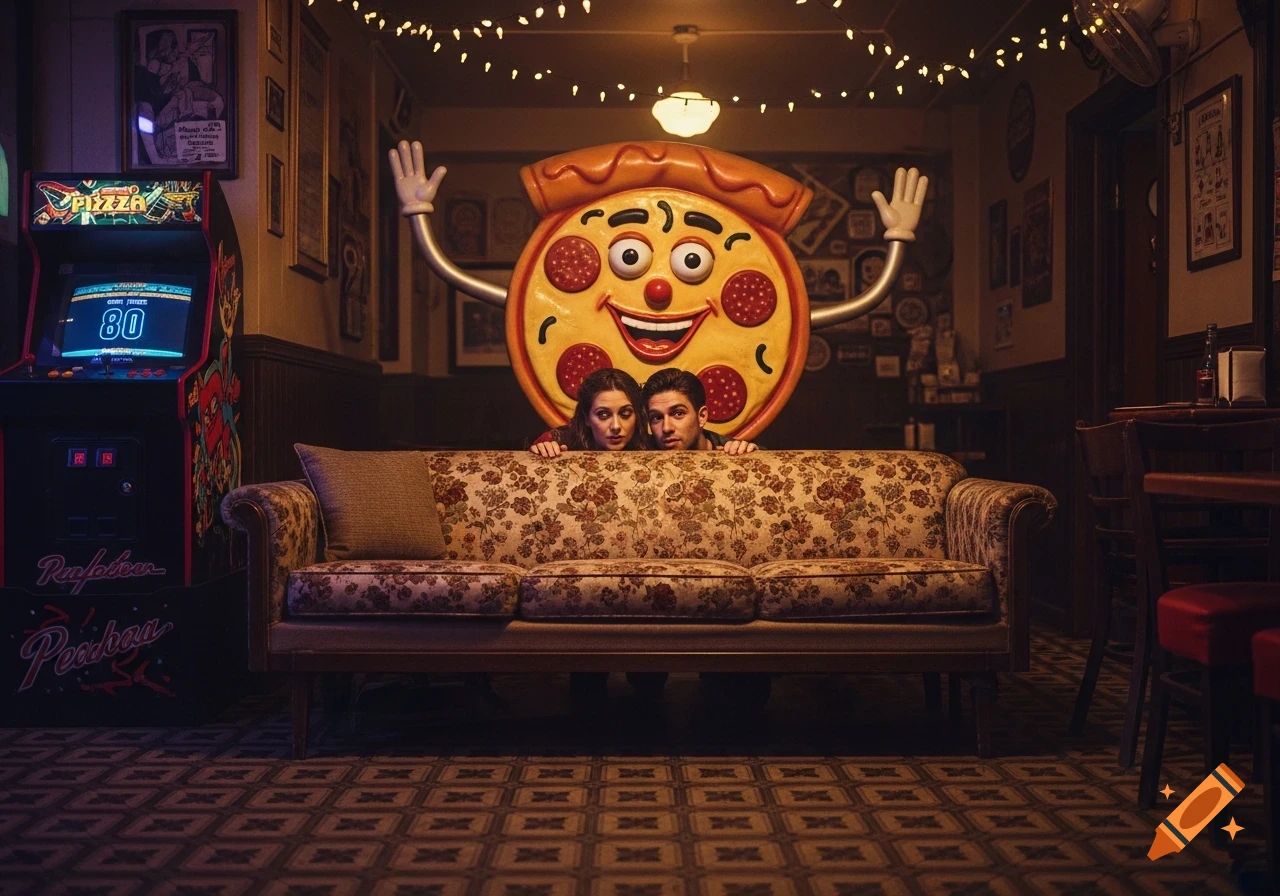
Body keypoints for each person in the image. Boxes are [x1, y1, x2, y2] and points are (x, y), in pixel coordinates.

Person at [529, 367, 648, 456]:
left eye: (625, 414)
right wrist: (540, 452)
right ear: (587, 418)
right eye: (603, 415)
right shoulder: (558, 442)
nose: (616, 426)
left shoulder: (650, 445)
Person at [640, 368, 759, 453]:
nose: (666, 428)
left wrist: (754, 456)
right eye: (657, 417)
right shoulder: (641, 452)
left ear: (701, 416)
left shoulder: (729, 450)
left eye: (678, 413)